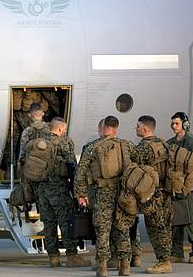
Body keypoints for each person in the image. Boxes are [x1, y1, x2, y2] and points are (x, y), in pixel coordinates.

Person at [75, 115, 132, 277]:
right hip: (122, 194)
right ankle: (125, 266)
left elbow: (81, 172)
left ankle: (103, 268)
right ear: (116, 129)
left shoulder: (92, 147)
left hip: (102, 194)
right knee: (122, 228)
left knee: (102, 230)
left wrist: (81, 193)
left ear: (103, 127)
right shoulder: (126, 146)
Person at [34, 117, 92, 268]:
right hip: (58, 189)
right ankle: (72, 256)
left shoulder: (38, 142)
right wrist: (78, 190)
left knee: (49, 224)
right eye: (64, 129)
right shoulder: (64, 142)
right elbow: (73, 167)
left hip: (42, 190)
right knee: (66, 222)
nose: (65, 132)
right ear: (60, 129)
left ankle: (53, 257)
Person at [130, 115, 173, 274]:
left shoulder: (143, 148)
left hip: (153, 194)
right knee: (165, 227)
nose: (136, 128)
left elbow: (134, 169)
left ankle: (164, 262)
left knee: (155, 227)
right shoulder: (164, 144)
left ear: (145, 128)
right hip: (166, 191)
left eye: (138, 126)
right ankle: (165, 259)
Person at [167, 112, 193, 264]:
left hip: (188, 190)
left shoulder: (192, 144)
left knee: (191, 222)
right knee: (176, 222)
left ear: (184, 125)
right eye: (172, 123)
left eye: (176, 123)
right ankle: (176, 253)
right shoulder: (170, 143)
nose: (173, 126)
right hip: (174, 189)